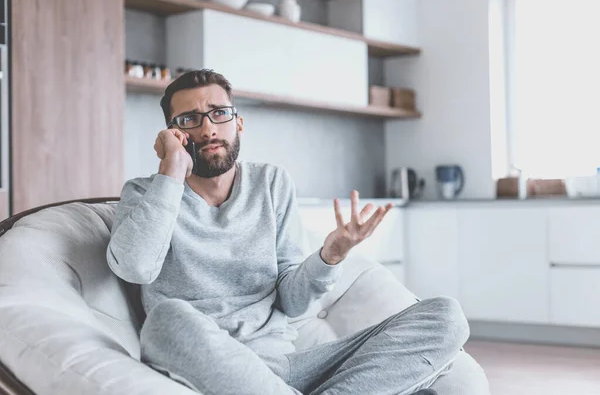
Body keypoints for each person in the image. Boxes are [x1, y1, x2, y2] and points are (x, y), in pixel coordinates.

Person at [106, 69, 469, 395]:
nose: (208, 129)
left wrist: (331, 256)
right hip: (207, 363)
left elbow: (291, 302)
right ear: (172, 134)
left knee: (446, 317)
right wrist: (171, 170)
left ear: (239, 123)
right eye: (189, 119)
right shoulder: (145, 194)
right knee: (166, 321)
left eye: (219, 113)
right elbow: (135, 268)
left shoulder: (271, 182)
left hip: (288, 367)